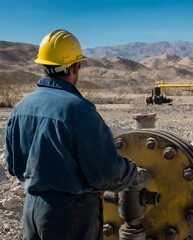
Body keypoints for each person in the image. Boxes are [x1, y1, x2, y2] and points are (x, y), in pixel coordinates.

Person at [5, 29, 138, 240]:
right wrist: (131, 172)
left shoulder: (20, 108)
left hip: (31, 210)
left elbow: (13, 165)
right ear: (75, 67)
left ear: (44, 66)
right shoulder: (80, 111)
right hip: (69, 215)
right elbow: (105, 173)